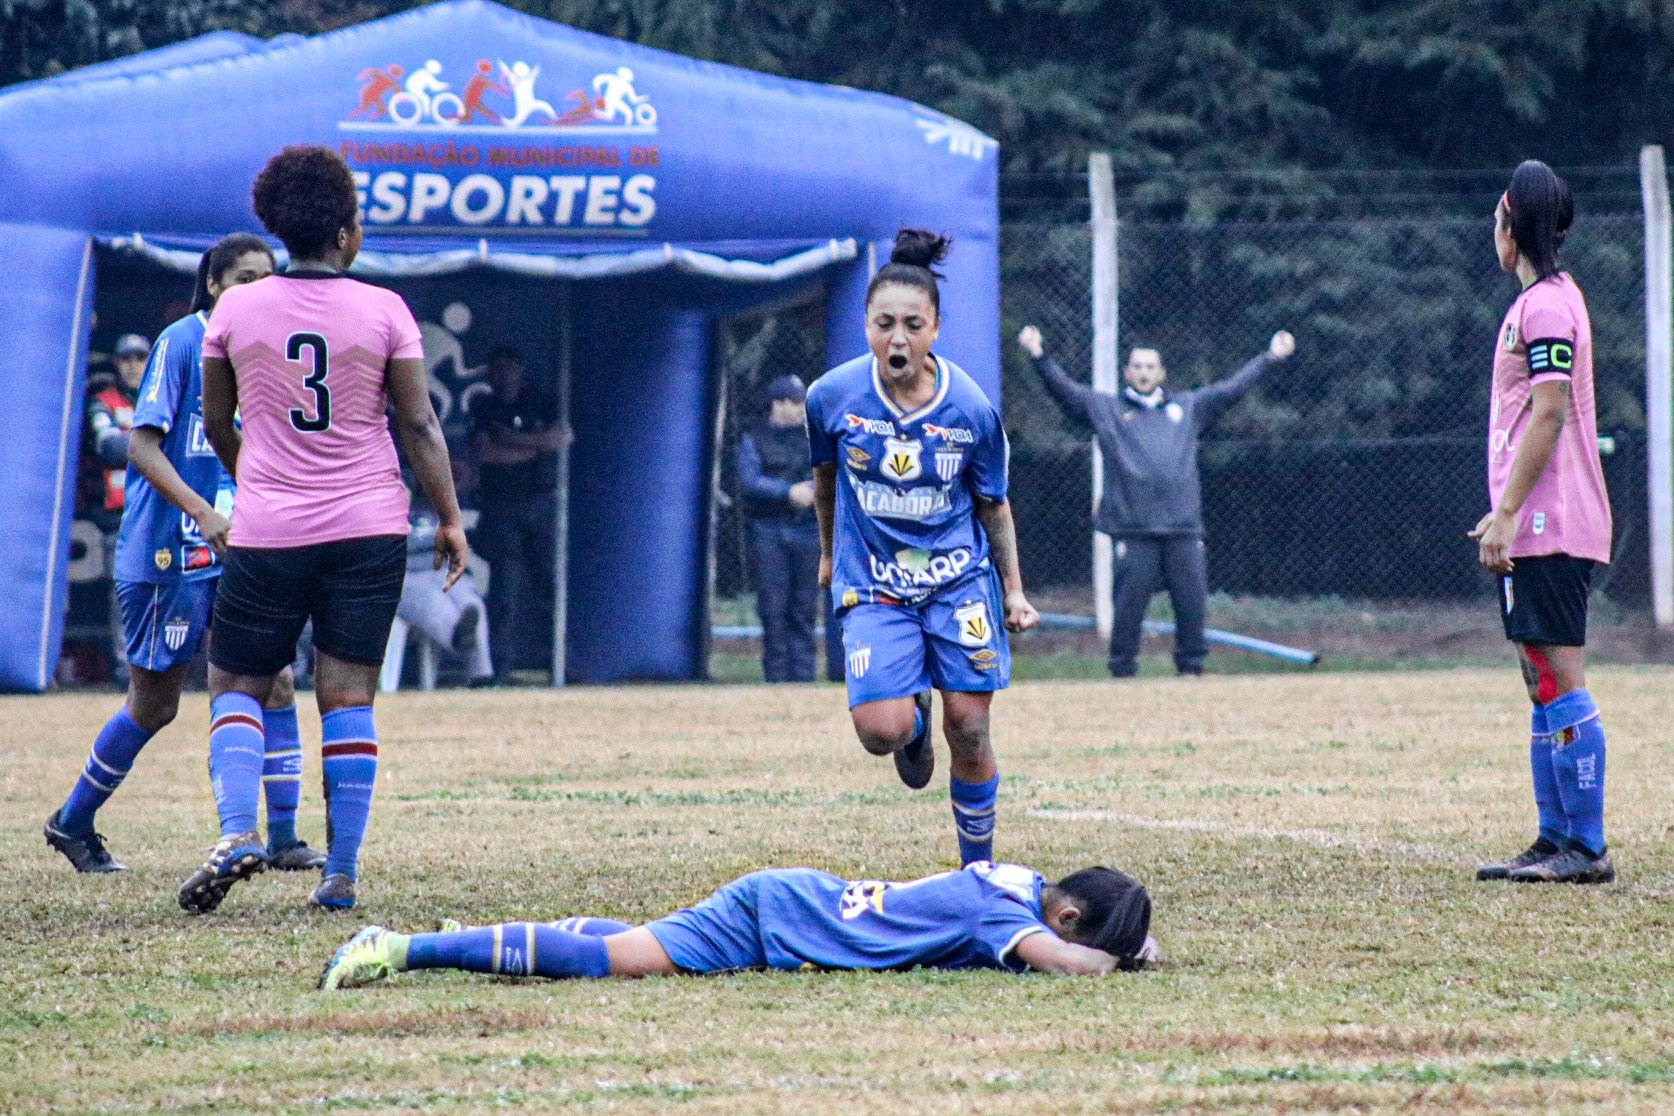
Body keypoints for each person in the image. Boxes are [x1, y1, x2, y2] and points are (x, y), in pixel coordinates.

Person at [180, 144, 467, 914]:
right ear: (346, 234)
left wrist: (260, 481)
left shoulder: (235, 308)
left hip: (270, 529)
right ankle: (339, 873)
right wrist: (447, 517)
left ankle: (240, 830)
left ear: (276, 226)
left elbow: (216, 419)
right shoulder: (385, 311)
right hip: (369, 528)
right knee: (347, 694)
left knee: (235, 682)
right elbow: (418, 422)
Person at [44, 235, 323, 875]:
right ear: (215, 284)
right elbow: (142, 448)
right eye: (246, 277)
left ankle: (282, 839)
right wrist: (202, 512)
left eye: (269, 278)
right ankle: (72, 820)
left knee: (274, 680)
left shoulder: (271, 354)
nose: (261, 289)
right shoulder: (181, 342)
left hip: (239, 549)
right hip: (169, 549)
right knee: (156, 702)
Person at [806, 229, 1039, 868]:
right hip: (874, 581)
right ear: (866, 326)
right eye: (885, 324)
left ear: (935, 328)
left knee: (969, 726)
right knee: (879, 732)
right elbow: (826, 477)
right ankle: (912, 720)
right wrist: (828, 554)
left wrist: (1014, 590)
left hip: (956, 581)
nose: (898, 338)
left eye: (913, 324)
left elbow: (993, 503)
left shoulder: (969, 409)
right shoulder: (831, 398)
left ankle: (977, 873)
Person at [318, 859, 1158, 988]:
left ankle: (485, 931)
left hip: (785, 906)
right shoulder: (1003, 914)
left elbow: (1064, 941)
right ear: (1069, 915)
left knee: (624, 940)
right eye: (1086, 933)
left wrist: (1135, 939)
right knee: (604, 964)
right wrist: (1121, 961)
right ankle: (401, 949)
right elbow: (1070, 965)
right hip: (777, 918)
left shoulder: (1016, 884)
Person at [1471, 161, 1614, 885]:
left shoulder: (1550, 307)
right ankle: (1553, 835)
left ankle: (1586, 849)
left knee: (1560, 672)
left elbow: (1551, 412)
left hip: (1552, 523)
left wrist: (1508, 512)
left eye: (1495, 219)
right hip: (1531, 524)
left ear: (1512, 226)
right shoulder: (1535, 304)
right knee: (1539, 678)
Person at [1017, 325, 1295, 677]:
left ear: (1162, 373)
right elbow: (1065, 391)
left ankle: (1191, 669)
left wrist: (1269, 358)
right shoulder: (1107, 409)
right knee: (1129, 606)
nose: (1144, 372)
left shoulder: (1188, 407)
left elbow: (1232, 390)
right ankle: (1122, 671)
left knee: (1192, 603)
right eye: (1137, 366)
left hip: (1182, 528)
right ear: (1127, 372)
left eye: (1151, 367)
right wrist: (1039, 355)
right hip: (1134, 529)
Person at [470, 346, 564, 684]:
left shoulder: (541, 401)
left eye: (510, 367)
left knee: (548, 586)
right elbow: (486, 452)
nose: (504, 375)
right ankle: (499, 669)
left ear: (521, 370)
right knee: (504, 592)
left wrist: (515, 440)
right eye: (498, 368)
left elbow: (560, 437)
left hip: (540, 503)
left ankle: (557, 665)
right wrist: (532, 449)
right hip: (501, 507)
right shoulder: (484, 406)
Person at [737, 374, 821, 682]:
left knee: (804, 608)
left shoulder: (813, 438)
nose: (801, 410)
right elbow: (749, 481)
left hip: (808, 531)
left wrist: (812, 489)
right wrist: (788, 492)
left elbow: (829, 471)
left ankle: (803, 680)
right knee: (773, 608)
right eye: (796, 403)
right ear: (778, 404)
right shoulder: (754, 438)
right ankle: (776, 681)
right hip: (768, 531)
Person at [397, 475, 494, 687]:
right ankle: (457, 636)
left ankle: (482, 676)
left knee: (470, 603)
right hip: (404, 579)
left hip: (440, 572)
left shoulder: (432, 515)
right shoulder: (376, 522)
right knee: (433, 601)